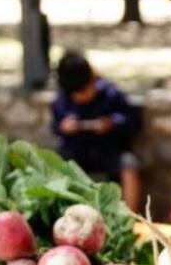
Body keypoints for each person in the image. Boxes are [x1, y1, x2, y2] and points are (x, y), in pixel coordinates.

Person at [51, 51, 143, 211]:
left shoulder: (109, 93)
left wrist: (112, 123)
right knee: (54, 164)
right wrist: (64, 127)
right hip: (76, 151)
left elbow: (132, 119)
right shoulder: (62, 100)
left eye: (86, 90)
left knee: (129, 164)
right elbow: (55, 126)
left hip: (108, 150)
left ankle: (131, 216)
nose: (83, 96)